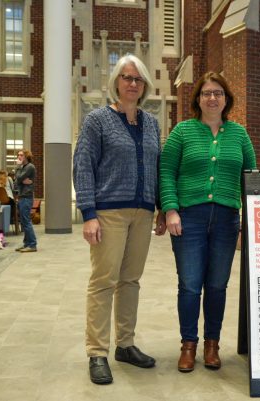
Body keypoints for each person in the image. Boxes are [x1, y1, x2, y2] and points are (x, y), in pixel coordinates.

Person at [73, 54, 166, 385]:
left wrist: (159, 207)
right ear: (116, 82)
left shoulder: (152, 123)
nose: (132, 84)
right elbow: (83, 165)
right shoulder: (97, 120)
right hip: (109, 212)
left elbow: (158, 168)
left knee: (131, 280)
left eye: (138, 79)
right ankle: (96, 351)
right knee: (103, 280)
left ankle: (125, 345)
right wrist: (88, 214)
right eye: (127, 78)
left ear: (145, 86)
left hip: (142, 212)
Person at [159, 71, 257, 372]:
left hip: (227, 219)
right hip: (190, 218)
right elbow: (166, 172)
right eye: (206, 93)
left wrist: (251, 216)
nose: (212, 98)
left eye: (218, 93)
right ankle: (188, 345)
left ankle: (212, 344)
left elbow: (252, 177)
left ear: (226, 99)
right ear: (198, 99)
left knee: (217, 285)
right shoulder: (182, 132)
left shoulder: (239, 134)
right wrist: (171, 210)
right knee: (189, 285)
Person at [14, 149, 37, 252]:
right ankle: (26, 243)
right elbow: (17, 181)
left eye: (21, 155)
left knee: (26, 221)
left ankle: (32, 245)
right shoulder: (23, 167)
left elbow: (18, 178)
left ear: (26, 156)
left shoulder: (30, 167)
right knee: (23, 221)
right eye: (18, 155)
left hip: (26, 197)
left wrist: (18, 171)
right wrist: (20, 180)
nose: (19, 157)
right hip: (22, 196)